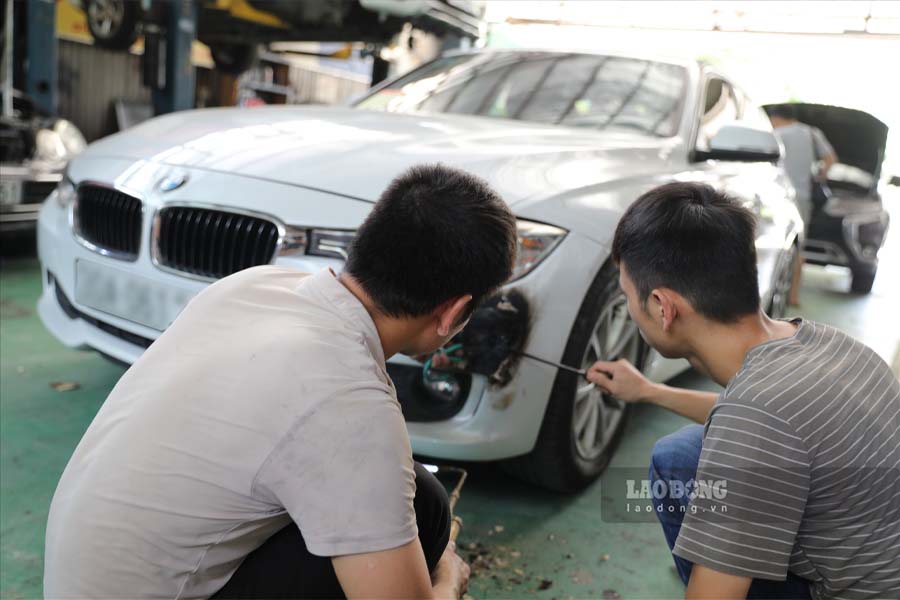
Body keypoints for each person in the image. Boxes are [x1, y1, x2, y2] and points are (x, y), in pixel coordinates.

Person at [43, 164, 518, 599]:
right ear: (454, 312)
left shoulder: (251, 285)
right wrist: (448, 579)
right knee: (424, 522)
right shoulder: (353, 404)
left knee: (419, 500)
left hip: (78, 582)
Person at [586, 182, 899, 600]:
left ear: (663, 307)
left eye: (629, 297)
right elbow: (767, 428)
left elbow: (754, 429)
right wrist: (648, 391)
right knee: (680, 456)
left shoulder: (756, 418)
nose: (629, 311)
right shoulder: (826, 343)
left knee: (672, 466)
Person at [768, 104, 838, 306]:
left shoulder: (774, 133)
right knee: (798, 247)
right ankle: (793, 297)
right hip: (801, 197)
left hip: (776, 194)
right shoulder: (812, 133)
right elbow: (831, 159)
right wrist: (819, 175)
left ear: (776, 118)